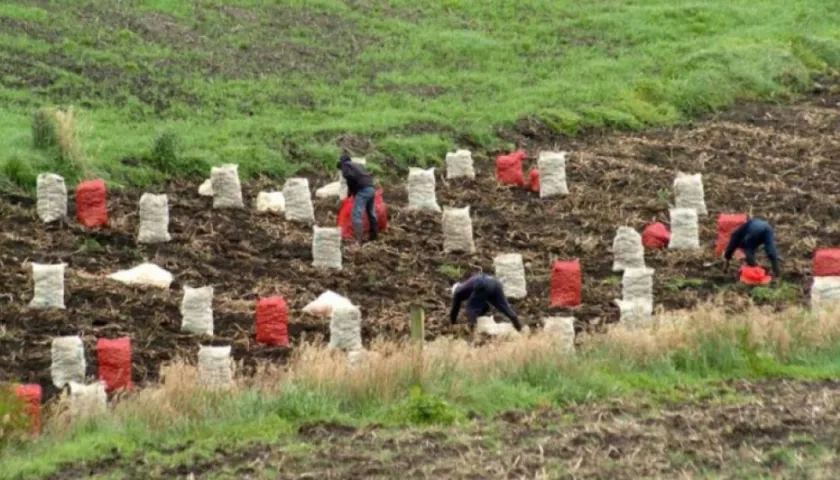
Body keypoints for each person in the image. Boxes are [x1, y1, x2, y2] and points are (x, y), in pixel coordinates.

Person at [449, 273, 523, 331]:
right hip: (495, 283)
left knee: (470, 309)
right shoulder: (468, 287)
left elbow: (455, 309)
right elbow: (485, 306)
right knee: (504, 307)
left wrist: (452, 323)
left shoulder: (458, 292)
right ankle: (519, 327)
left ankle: (473, 331)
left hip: (483, 283)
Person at [337, 152, 377, 243]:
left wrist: (350, 193)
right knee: (371, 212)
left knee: (356, 215)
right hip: (371, 188)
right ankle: (374, 235)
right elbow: (364, 175)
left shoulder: (345, 166)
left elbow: (349, 178)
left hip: (363, 190)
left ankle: (359, 239)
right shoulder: (359, 165)